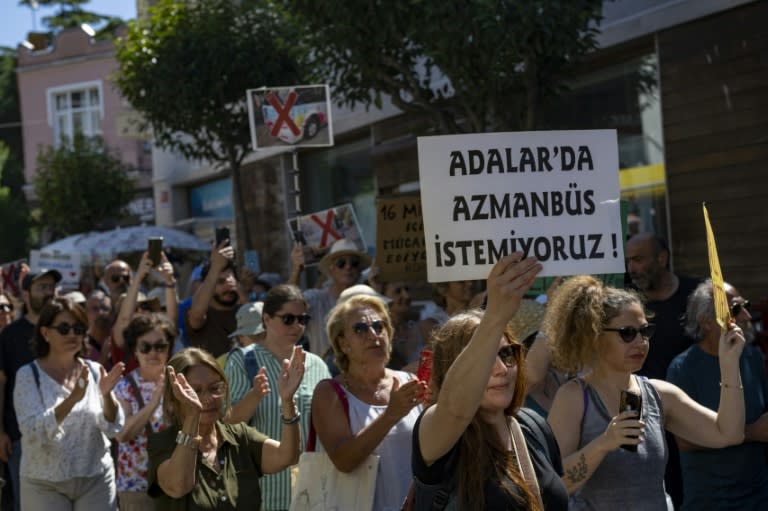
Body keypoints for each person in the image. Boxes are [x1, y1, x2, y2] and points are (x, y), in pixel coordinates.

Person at [545, 275, 746, 510]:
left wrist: (729, 364)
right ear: (595, 336)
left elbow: (728, 434)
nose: (641, 342)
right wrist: (603, 444)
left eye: (645, 331)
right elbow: (553, 484)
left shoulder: (659, 394)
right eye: (628, 333)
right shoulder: (575, 396)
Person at [413, 254, 567, 510]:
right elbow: (456, 408)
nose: (500, 369)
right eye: (485, 360)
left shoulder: (534, 426)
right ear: (451, 369)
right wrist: (495, 314)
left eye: (506, 354)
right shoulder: (435, 432)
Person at [147, 346, 303, 510]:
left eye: (215, 388)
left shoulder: (239, 436)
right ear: (174, 399)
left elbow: (288, 456)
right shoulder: (162, 444)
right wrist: (193, 415)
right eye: (195, 391)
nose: (208, 399)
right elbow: (179, 486)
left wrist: (287, 401)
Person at [311, 294, 426, 511]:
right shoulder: (330, 392)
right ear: (343, 344)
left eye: (378, 326)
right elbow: (343, 461)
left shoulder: (410, 383)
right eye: (360, 329)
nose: (373, 334)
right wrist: (391, 414)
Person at [225, 284, 331, 511]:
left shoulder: (317, 364)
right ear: (267, 319)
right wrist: (254, 396)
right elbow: (227, 425)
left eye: (303, 319)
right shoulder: (243, 361)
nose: (297, 326)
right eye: (288, 319)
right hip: (263, 493)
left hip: (313, 493)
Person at [13, 297, 125, 510]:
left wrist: (108, 396)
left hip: (96, 478)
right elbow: (32, 432)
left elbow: (112, 427)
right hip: (44, 484)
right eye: (64, 328)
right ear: (45, 333)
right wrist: (73, 398)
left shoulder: (93, 370)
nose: (73, 334)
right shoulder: (28, 375)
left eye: (78, 328)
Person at [666, 281, 768, 510]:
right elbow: (686, 441)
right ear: (706, 321)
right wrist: (751, 433)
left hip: (759, 498)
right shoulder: (682, 369)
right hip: (710, 502)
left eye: (746, 306)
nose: (746, 316)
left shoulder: (751, 356)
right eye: (735, 310)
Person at [625, 233, 700, 509]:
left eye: (638, 259)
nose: (631, 268)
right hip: (643, 416)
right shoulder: (627, 304)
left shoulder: (696, 295)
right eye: (628, 261)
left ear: (662, 259)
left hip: (690, 413)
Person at [0, 268, 60, 511]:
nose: (48, 293)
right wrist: (1, 431)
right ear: (25, 294)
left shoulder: (64, 329)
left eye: (51, 287)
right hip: (21, 438)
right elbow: (1, 384)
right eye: (41, 287)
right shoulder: (10, 335)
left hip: (62, 436)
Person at [113, 314, 173, 511]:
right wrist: (153, 403)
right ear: (135, 351)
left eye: (160, 346)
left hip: (175, 484)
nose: (153, 353)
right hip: (136, 487)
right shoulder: (124, 386)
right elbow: (122, 434)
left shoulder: (181, 382)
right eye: (145, 347)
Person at [289, 238, 372, 357]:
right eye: (341, 263)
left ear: (359, 270)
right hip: (324, 373)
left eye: (354, 263)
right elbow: (288, 304)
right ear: (331, 269)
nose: (348, 267)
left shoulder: (368, 301)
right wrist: (296, 270)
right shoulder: (315, 299)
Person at [186, 242, 240, 358]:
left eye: (230, 281)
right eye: (220, 282)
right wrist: (215, 267)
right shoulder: (205, 317)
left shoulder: (244, 312)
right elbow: (196, 314)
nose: (227, 286)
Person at [83, 290, 113, 367]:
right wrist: (103, 358)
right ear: (85, 312)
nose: (100, 313)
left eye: (105, 308)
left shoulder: (118, 339)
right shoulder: (79, 344)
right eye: (95, 309)